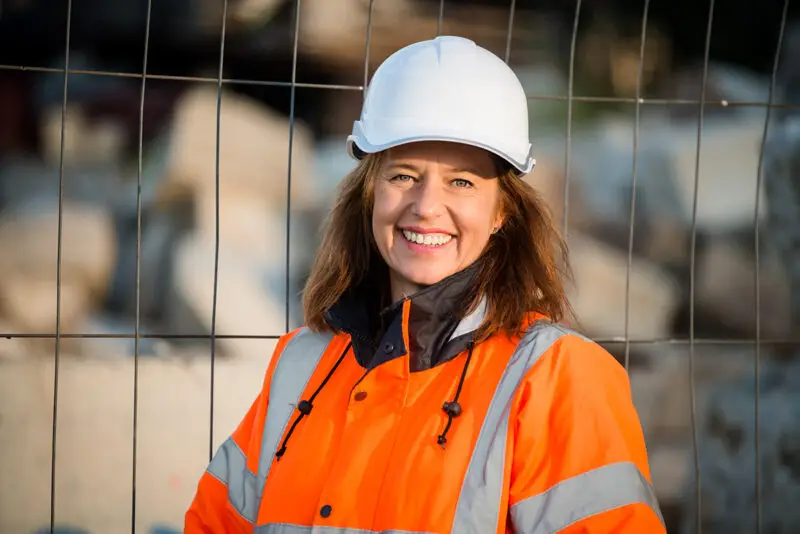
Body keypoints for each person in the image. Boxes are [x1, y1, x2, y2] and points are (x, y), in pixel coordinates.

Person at [185, 35, 665, 534]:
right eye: (403, 176)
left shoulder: (556, 378)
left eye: (462, 182)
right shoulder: (301, 363)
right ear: (370, 193)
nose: (426, 206)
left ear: (502, 211)